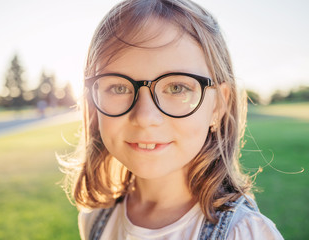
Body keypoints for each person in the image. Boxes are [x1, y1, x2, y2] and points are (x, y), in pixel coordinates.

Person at [60, 0, 284, 239]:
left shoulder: (244, 233)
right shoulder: (95, 218)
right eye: (118, 88)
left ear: (218, 104)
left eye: (177, 87)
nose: (145, 117)